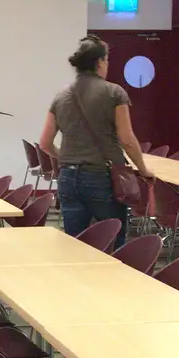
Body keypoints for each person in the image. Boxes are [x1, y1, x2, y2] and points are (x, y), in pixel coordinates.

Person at [37, 36, 151, 248]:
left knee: (76, 244)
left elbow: (44, 143)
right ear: (100, 62)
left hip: (68, 178)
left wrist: (69, 160)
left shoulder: (61, 97)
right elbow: (126, 139)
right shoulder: (114, 93)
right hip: (102, 178)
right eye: (107, 60)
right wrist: (143, 169)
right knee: (113, 241)